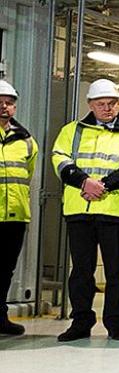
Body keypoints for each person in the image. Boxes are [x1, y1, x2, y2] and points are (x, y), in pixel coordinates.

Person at [52, 79, 119, 342]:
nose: (107, 108)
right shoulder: (71, 131)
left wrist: (100, 185)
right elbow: (59, 159)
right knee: (81, 271)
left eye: (111, 103)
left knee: (115, 272)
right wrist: (84, 182)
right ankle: (81, 322)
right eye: (101, 104)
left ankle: (115, 323)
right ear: (90, 105)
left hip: (114, 211)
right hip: (79, 210)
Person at [0, 80, 38, 336]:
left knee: (5, 270)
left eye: (10, 103)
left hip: (15, 215)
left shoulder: (26, 141)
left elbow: (28, 175)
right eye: (0, 102)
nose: (5, 107)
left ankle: (0, 317)